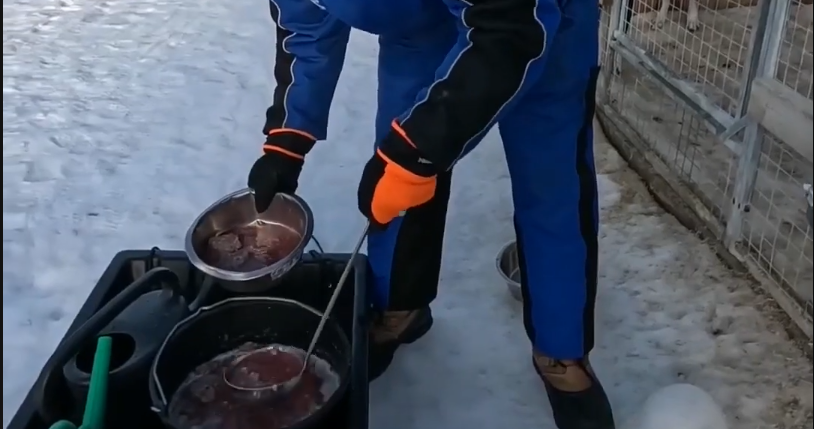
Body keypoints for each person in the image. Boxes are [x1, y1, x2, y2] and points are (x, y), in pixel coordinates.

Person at [247, 0, 615, 427]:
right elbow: (305, 30)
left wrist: (420, 152)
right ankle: (399, 308)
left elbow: (511, 32)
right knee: (396, 167)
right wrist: (288, 136)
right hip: (419, 24)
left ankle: (560, 349)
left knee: (552, 181)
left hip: (537, 18)